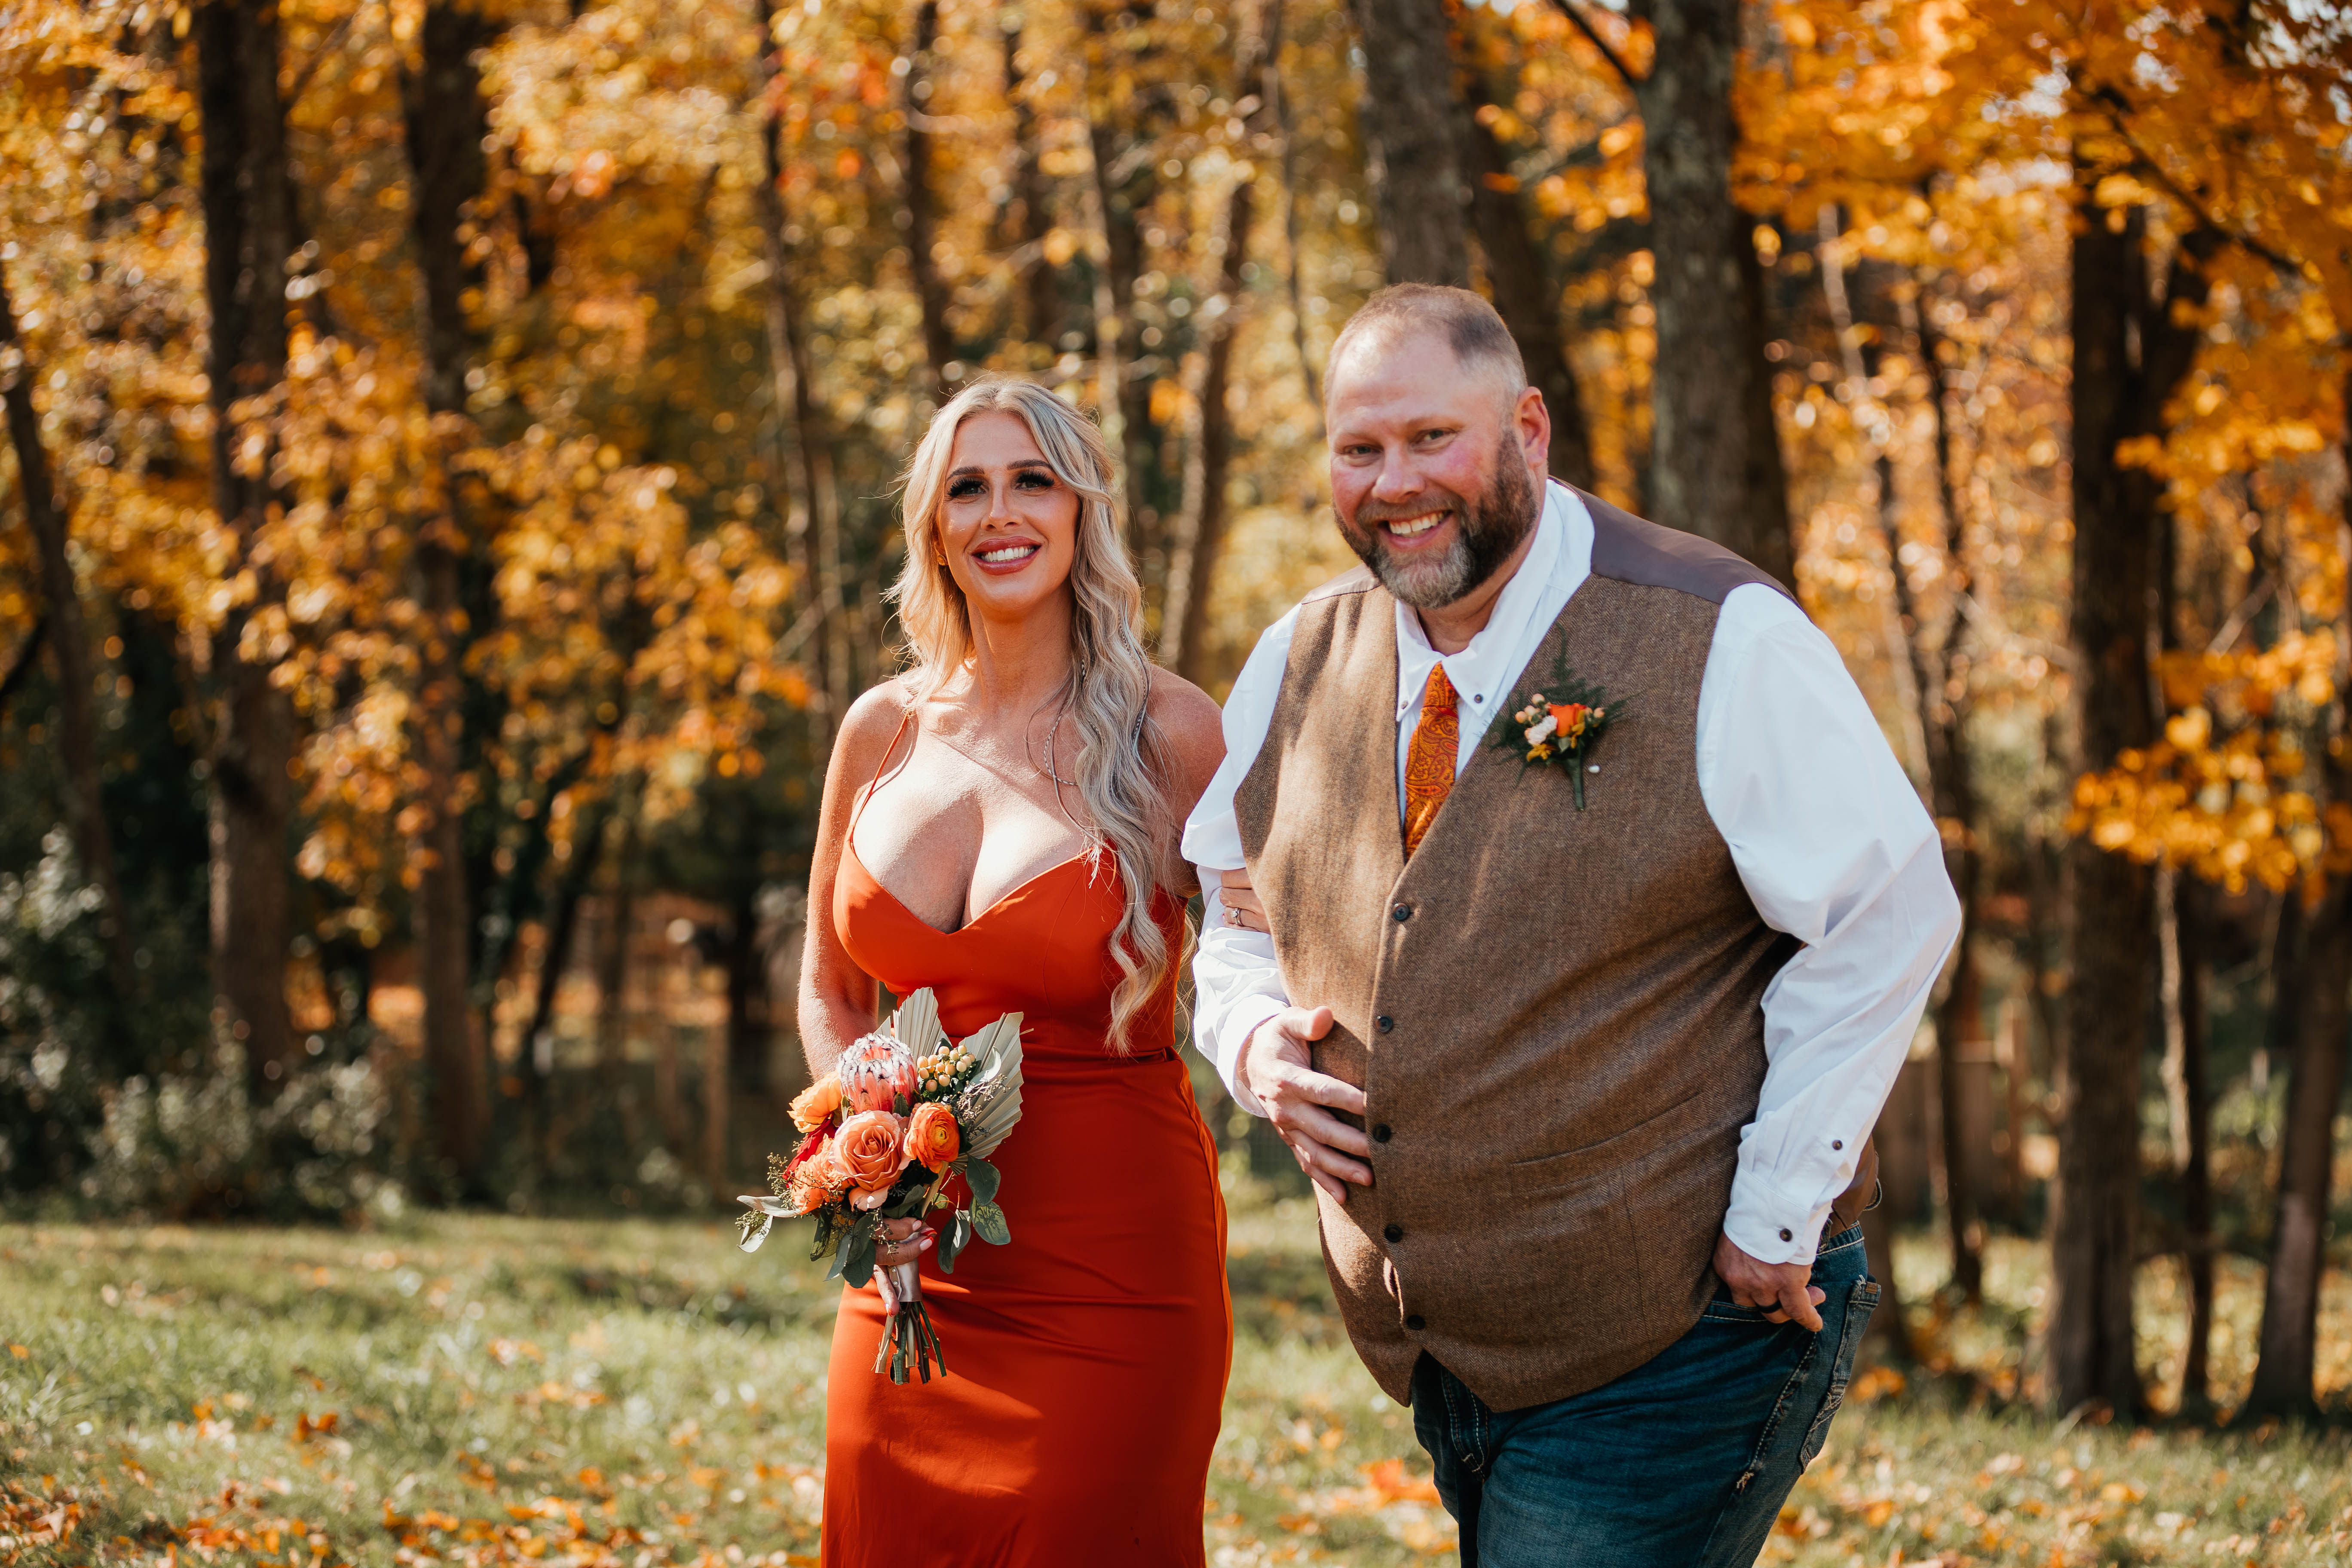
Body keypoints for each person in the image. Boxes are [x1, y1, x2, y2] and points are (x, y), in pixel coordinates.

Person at [1184, 285, 1961, 1567]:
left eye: (1432, 438)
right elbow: (1229, 905)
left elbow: (1888, 913)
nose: (1394, 483)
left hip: (1678, 1337)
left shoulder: (1719, 634)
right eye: (1359, 448)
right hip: (1445, 1359)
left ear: (1529, 430)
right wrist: (1253, 1037)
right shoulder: (1298, 657)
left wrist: (1777, 1207)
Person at [799, 376, 1231, 1565]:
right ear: (933, 528)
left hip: (1114, 1267)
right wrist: (863, 1155)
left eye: (1033, 481)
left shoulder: (1173, 734)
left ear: (1082, 509)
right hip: (911, 1267)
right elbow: (832, 989)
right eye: (968, 488)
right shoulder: (879, 730)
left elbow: (1285, 955)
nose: (1002, 512)